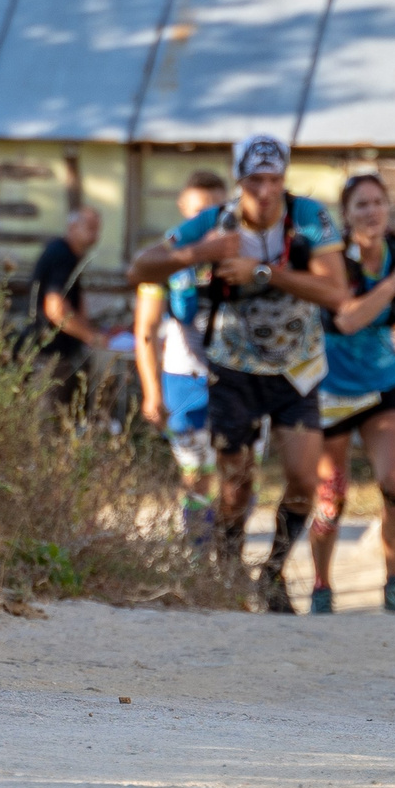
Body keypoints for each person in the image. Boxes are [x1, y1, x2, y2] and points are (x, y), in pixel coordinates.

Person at [127, 134, 348, 612]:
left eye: (274, 180)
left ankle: (272, 573)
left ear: (284, 179)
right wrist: (197, 254)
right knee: (235, 482)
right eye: (254, 181)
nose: (265, 191)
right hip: (232, 368)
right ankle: (227, 571)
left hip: (298, 369)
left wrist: (264, 273)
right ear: (239, 181)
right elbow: (140, 270)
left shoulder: (309, 218)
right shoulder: (216, 223)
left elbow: (336, 293)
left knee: (303, 480)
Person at [306, 170, 395, 615]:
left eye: (378, 202)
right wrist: (392, 287)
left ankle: (394, 583)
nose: (372, 211)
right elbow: (346, 319)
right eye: (361, 204)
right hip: (331, 389)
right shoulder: (332, 259)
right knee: (331, 496)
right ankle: (321, 587)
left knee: (394, 483)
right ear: (346, 214)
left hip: (382, 384)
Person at [133, 171, 227, 550]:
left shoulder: (243, 251)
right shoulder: (164, 260)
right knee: (196, 472)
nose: (207, 221)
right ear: (183, 209)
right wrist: (152, 391)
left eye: (216, 211)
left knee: (238, 472)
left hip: (239, 379)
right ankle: (197, 552)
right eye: (199, 212)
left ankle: (230, 554)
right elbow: (145, 330)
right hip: (184, 379)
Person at [25, 206, 110, 411]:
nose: (95, 235)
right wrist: (91, 336)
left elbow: (74, 303)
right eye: (90, 227)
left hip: (59, 351)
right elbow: (56, 309)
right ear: (72, 227)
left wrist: (90, 330)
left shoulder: (71, 256)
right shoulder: (62, 255)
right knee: (46, 420)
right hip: (48, 354)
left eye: (97, 229)